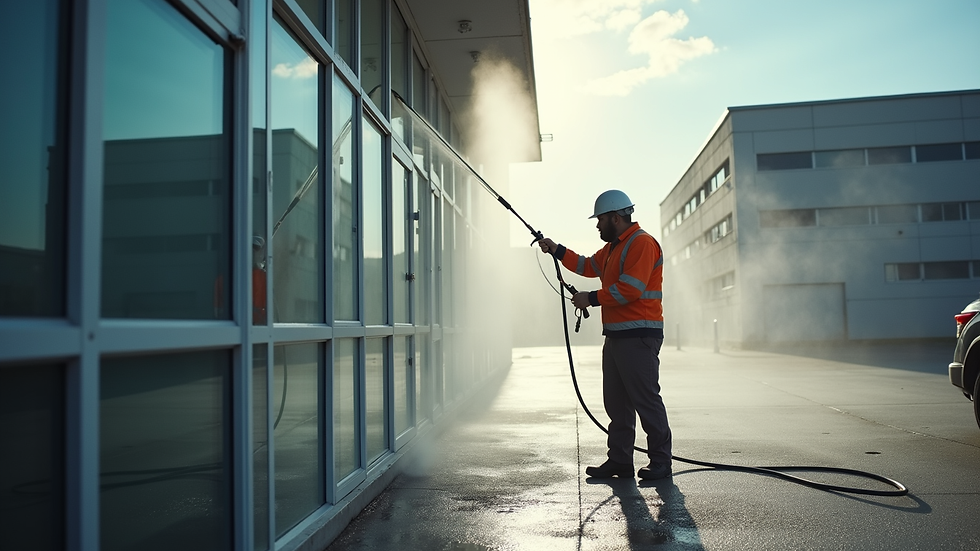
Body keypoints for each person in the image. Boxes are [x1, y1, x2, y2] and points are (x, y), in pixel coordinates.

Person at [538, 190, 672, 480]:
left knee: (646, 401)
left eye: (600, 220)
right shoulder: (614, 248)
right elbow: (587, 265)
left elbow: (631, 288)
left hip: (639, 336)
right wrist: (557, 250)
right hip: (616, 337)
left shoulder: (641, 243)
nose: (597, 225)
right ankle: (620, 461)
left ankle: (661, 462)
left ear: (615, 217)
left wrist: (592, 299)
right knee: (617, 404)